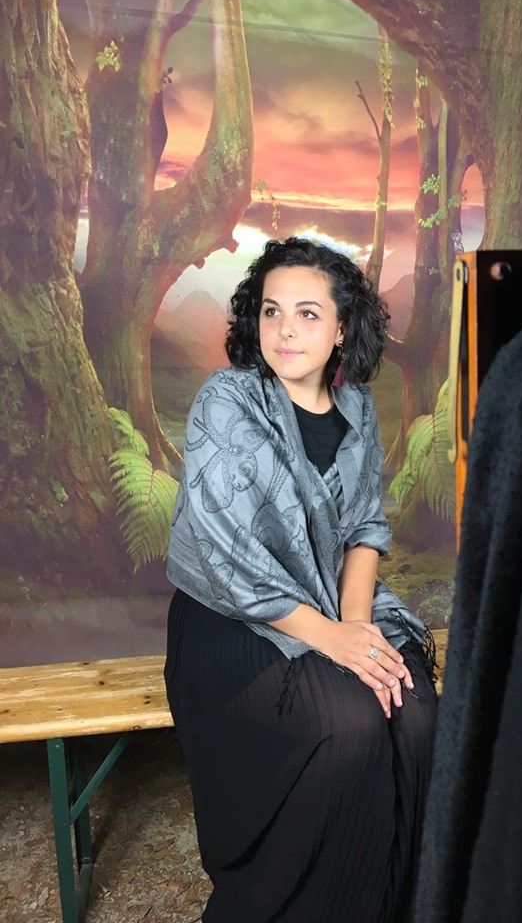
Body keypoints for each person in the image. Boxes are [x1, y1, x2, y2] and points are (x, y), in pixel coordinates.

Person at [164, 236, 438, 923]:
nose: (285, 330)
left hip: (332, 599)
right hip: (231, 620)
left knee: (413, 713)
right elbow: (228, 558)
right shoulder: (228, 401)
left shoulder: (359, 408)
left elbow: (365, 528)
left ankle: (389, 906)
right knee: (347, 724)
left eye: (308, 314)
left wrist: (357, 628)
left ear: (342, 328)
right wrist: (332, 640)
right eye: (272, 311)